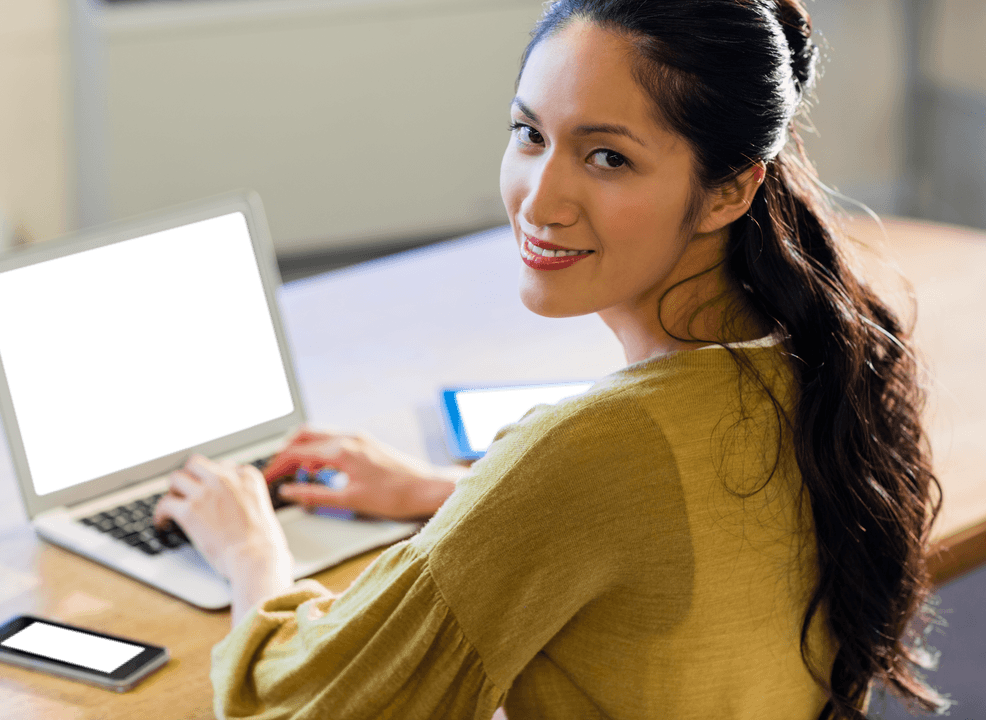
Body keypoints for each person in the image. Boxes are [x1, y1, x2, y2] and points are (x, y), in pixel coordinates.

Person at [153, 1, 948, 718]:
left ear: (728, 191)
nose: (539, 200)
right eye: (530, 135)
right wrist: (452, 495)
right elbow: (660, 523)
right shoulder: (809, 358)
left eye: (608, 158)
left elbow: (302, 707)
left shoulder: (591, 451)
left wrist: (250, 551)